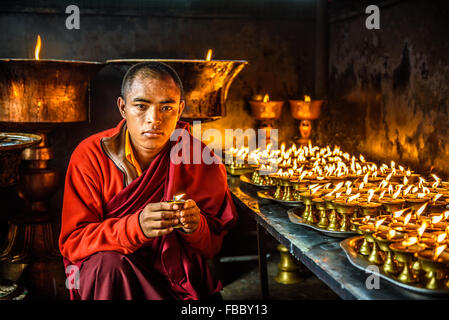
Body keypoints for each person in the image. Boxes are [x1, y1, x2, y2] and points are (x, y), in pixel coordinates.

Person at [59, 62, 238, 300]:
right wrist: (136, 227)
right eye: (141, 106)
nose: (154, 119)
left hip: (175, 280)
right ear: (123, 108)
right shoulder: (91, 156)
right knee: (108, 266)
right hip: (113, 278)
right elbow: (73, 242)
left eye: (166, 107)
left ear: (180, 109)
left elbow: (212, 247)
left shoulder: (201, 160)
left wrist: (195, 227)